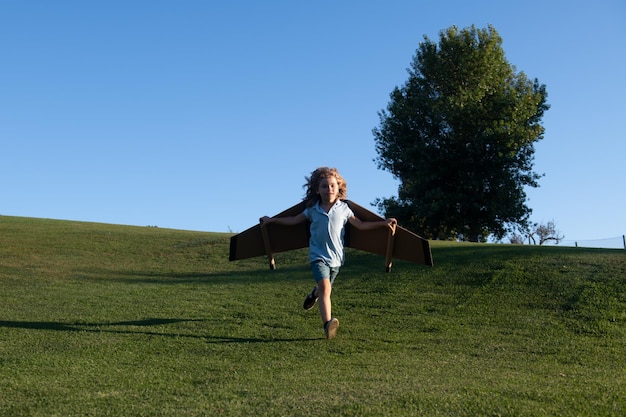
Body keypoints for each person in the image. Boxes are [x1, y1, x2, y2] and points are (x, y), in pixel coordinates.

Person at [261, 167, 396, 339]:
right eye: (324, 186)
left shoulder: (344, 209)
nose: (329, 189)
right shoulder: (312, 210)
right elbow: (293, 220)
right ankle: (327, 324)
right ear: (317, 189)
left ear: (339, 188)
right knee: (326, 288)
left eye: (332, 186)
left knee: (324, 289)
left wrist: (383, 223)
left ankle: (313, 295)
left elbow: (361, 225)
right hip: (318, 256)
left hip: (337, 259)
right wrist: (272, 220)